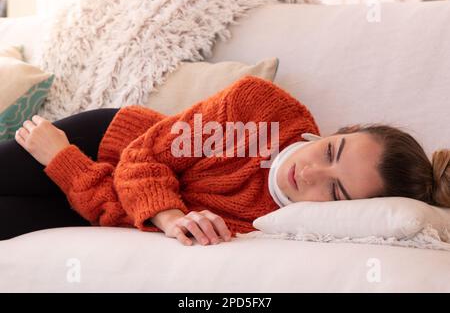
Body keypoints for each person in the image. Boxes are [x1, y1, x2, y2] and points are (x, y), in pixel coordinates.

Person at [1, 76, 449, 244]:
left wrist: (65, 166)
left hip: (89, 192)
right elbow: (144, 158)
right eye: (331, 152)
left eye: (333, 190)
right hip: (105, 142)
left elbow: (120, 215)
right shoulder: (262, 107)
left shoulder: (270, 225)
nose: (308, 171)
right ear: (342, 132)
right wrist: (172, 217)